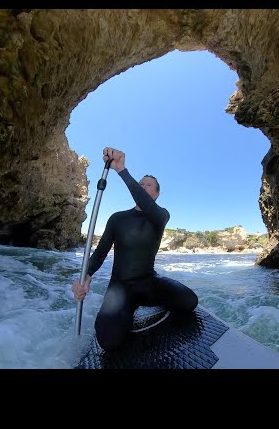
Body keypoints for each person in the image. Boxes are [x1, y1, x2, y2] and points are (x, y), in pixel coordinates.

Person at [71, 146, 199, 351]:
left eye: (149, 185)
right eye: (141, 185)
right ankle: (125, 311)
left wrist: (122, 170)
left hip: (148, 282)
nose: (143, 187)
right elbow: (101, 252)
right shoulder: (118, 218)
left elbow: (146, 204)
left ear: (156, 194)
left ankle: (144, 304)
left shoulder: (160, 216)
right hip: (120, 287)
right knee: (108, 341)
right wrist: (85, 276)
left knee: (189, 301)